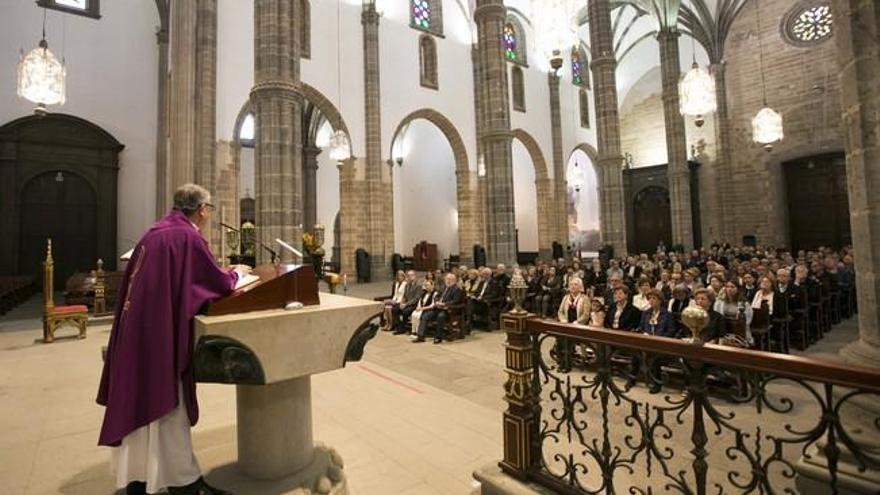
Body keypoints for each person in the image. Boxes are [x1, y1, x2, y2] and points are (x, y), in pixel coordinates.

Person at [97, 184, 249, 495]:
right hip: (160, 336)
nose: (208, 214)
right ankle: (184, 483)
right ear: (202, 209)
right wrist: (235, 275)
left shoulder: (154, 233)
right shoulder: (186, 236)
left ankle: (139, 477)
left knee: (140, 395)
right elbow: (213, 281)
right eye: (209, 208)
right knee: (166, 403)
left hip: (140, 331)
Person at [417, 272, 464, 343]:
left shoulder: (457, 289)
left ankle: (438, 337)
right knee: (426, 315)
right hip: (438, 308)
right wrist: (436, 302)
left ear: (454, 280)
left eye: (450, 279)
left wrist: (444, 304)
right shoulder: (443, 287)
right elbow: (436, 296)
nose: (448, 281)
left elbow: (455, 301)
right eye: (447, 279)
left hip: (448, 310)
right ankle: (421, 336)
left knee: (440, 316)